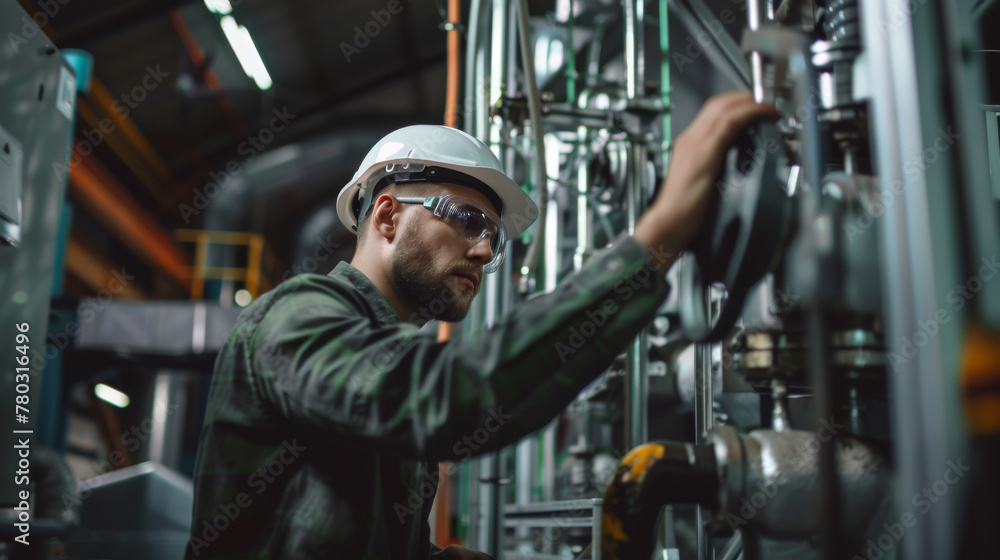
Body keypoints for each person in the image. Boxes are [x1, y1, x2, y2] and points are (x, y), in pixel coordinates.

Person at [185, 92, 777, 559]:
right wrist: (656, 238)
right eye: (467, 219)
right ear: (387, 215)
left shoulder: (380, 351)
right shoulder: (296, 315)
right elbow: (440, 397)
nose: (484, 250)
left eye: (493, 238)